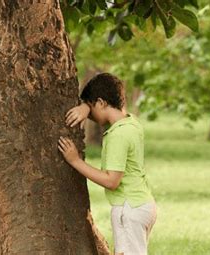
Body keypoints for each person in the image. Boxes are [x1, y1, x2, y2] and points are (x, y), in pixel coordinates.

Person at [58, 73, 157, 255]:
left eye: (91, 106)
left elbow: (112, 181)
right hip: (143, 204)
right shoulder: (132, 123)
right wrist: (87, 108)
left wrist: (75, 161)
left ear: (101, 102)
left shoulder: (117, 136)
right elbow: (110, 109)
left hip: (129, 209)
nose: (91, 116)